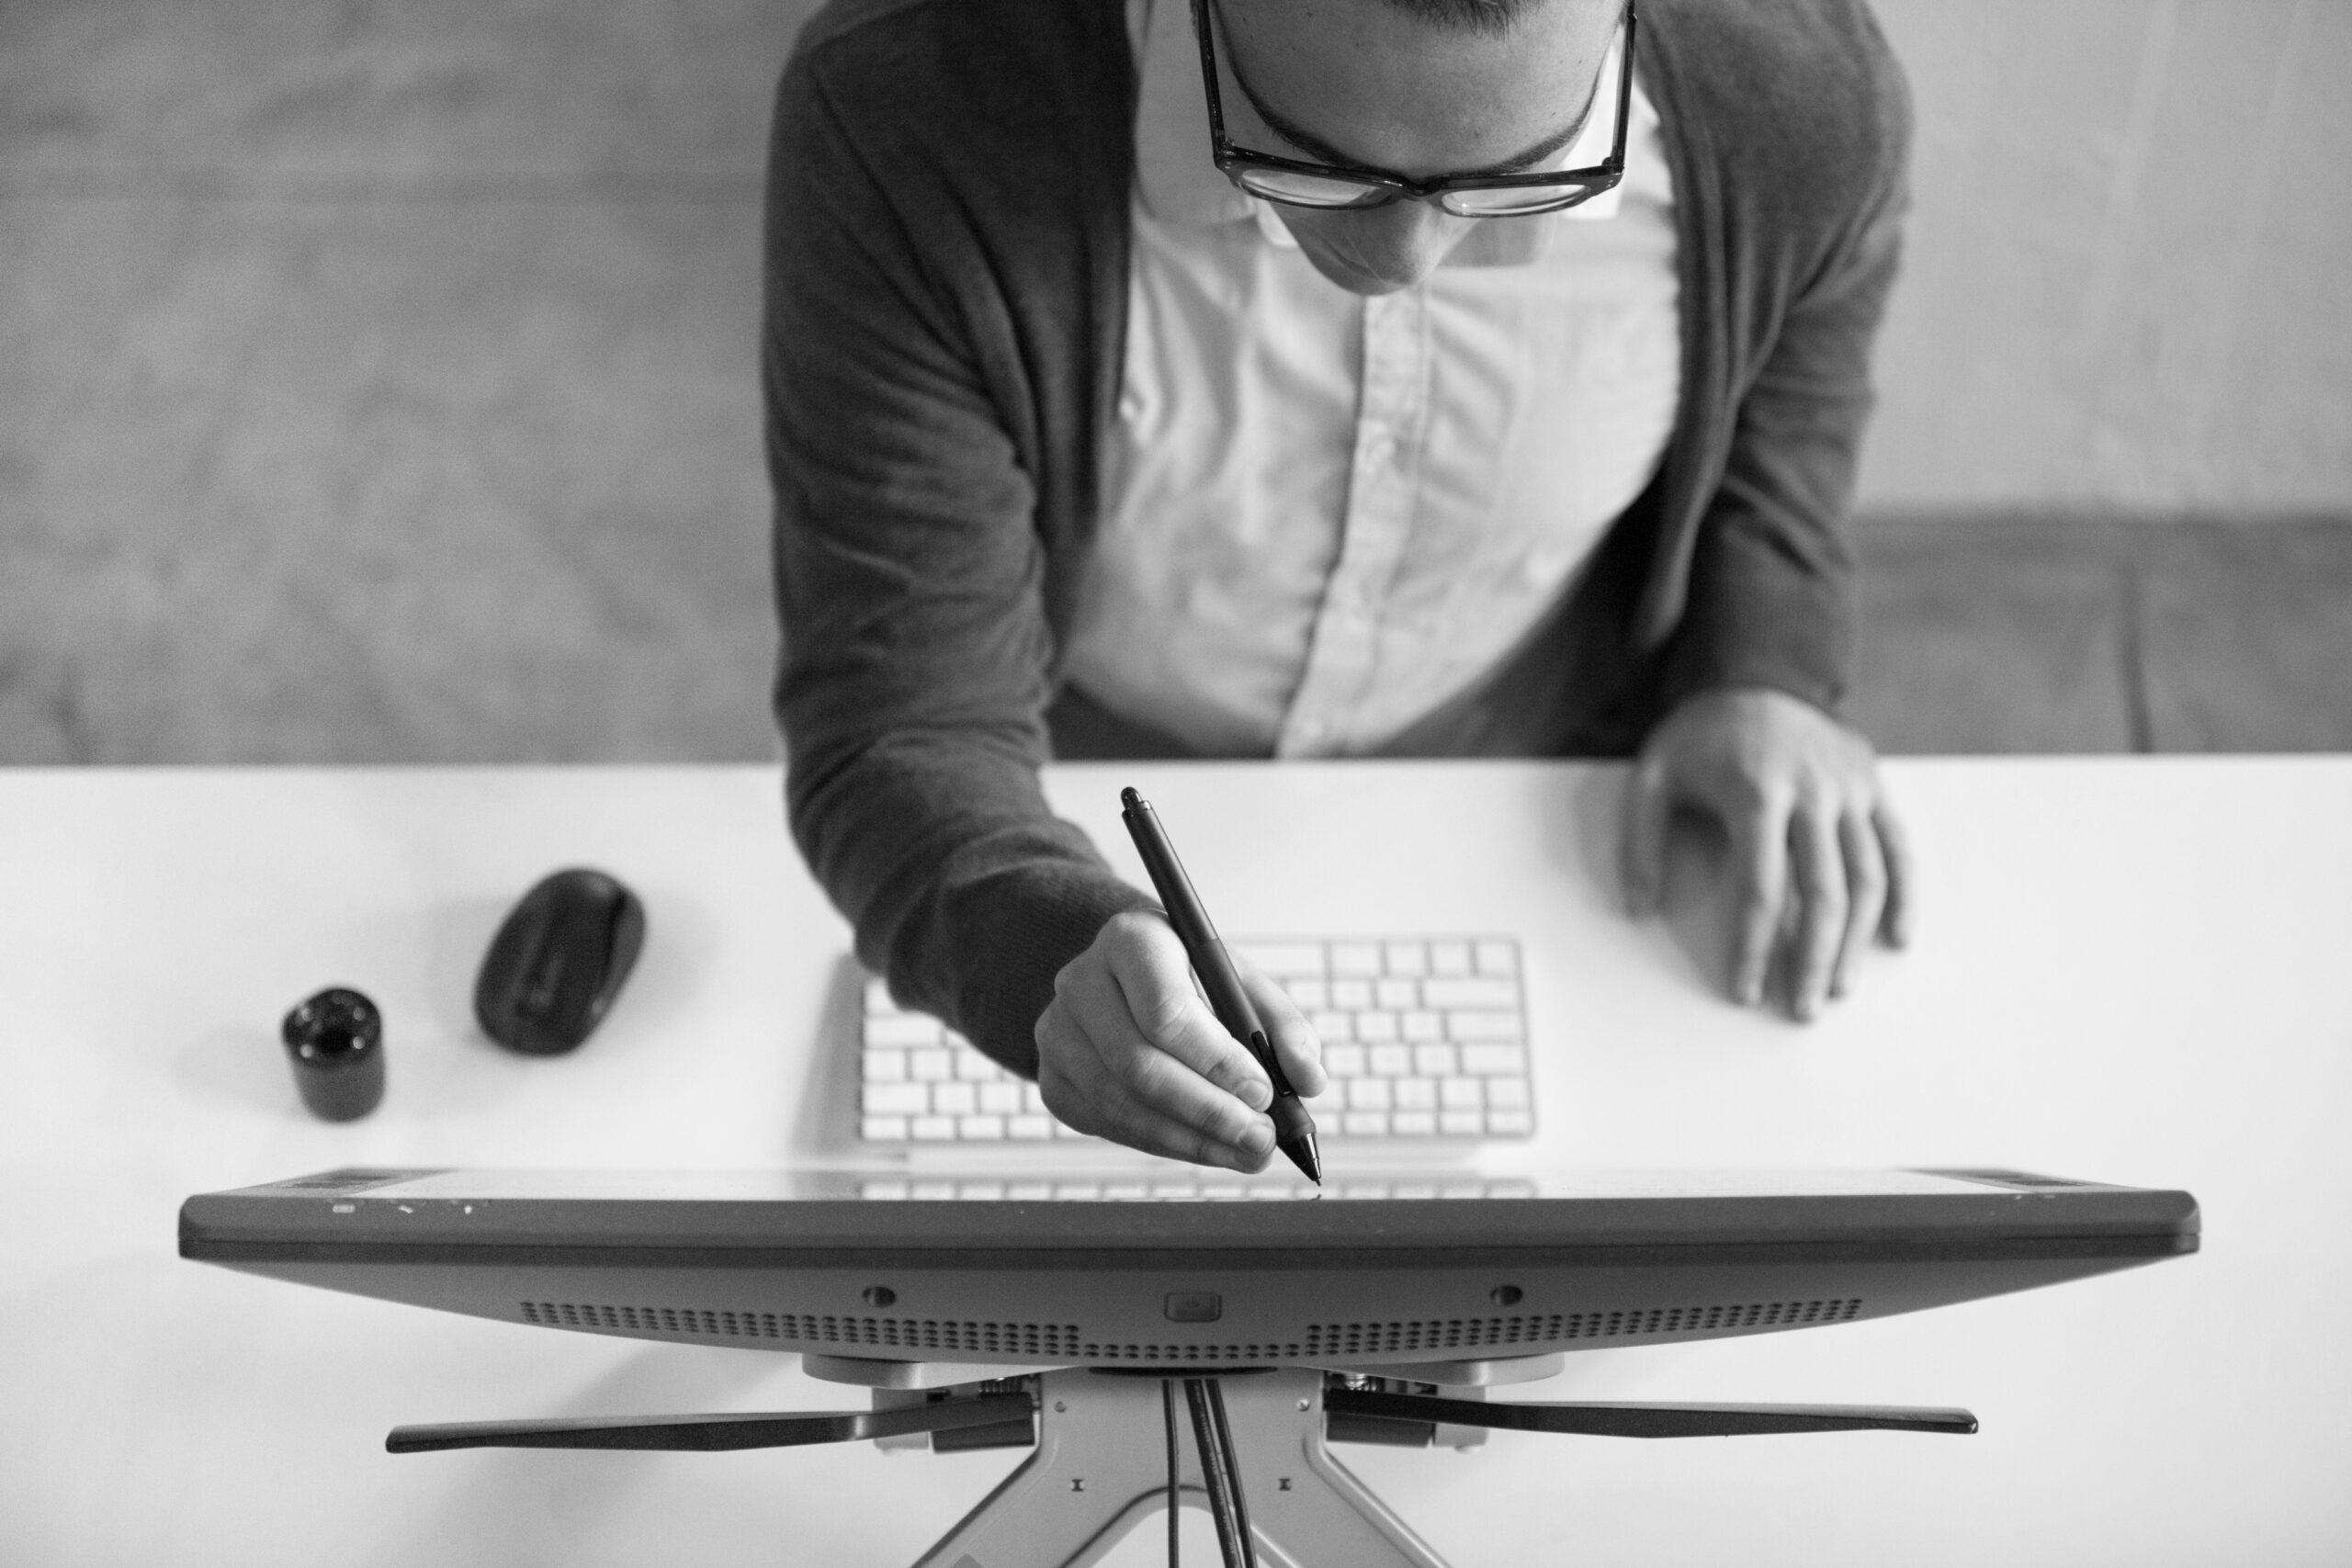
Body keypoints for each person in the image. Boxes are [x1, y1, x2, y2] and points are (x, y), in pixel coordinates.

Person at [764, 0, 1914, 1172]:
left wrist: (1760, 663)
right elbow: (903, 721)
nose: (1399, 263)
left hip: (1525, 791)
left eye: (1521, 180)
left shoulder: (1802, 92)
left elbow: (1791, 401)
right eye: (1306, 166)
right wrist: (1043, 942)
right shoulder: (902, 103)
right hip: (1084, 772)